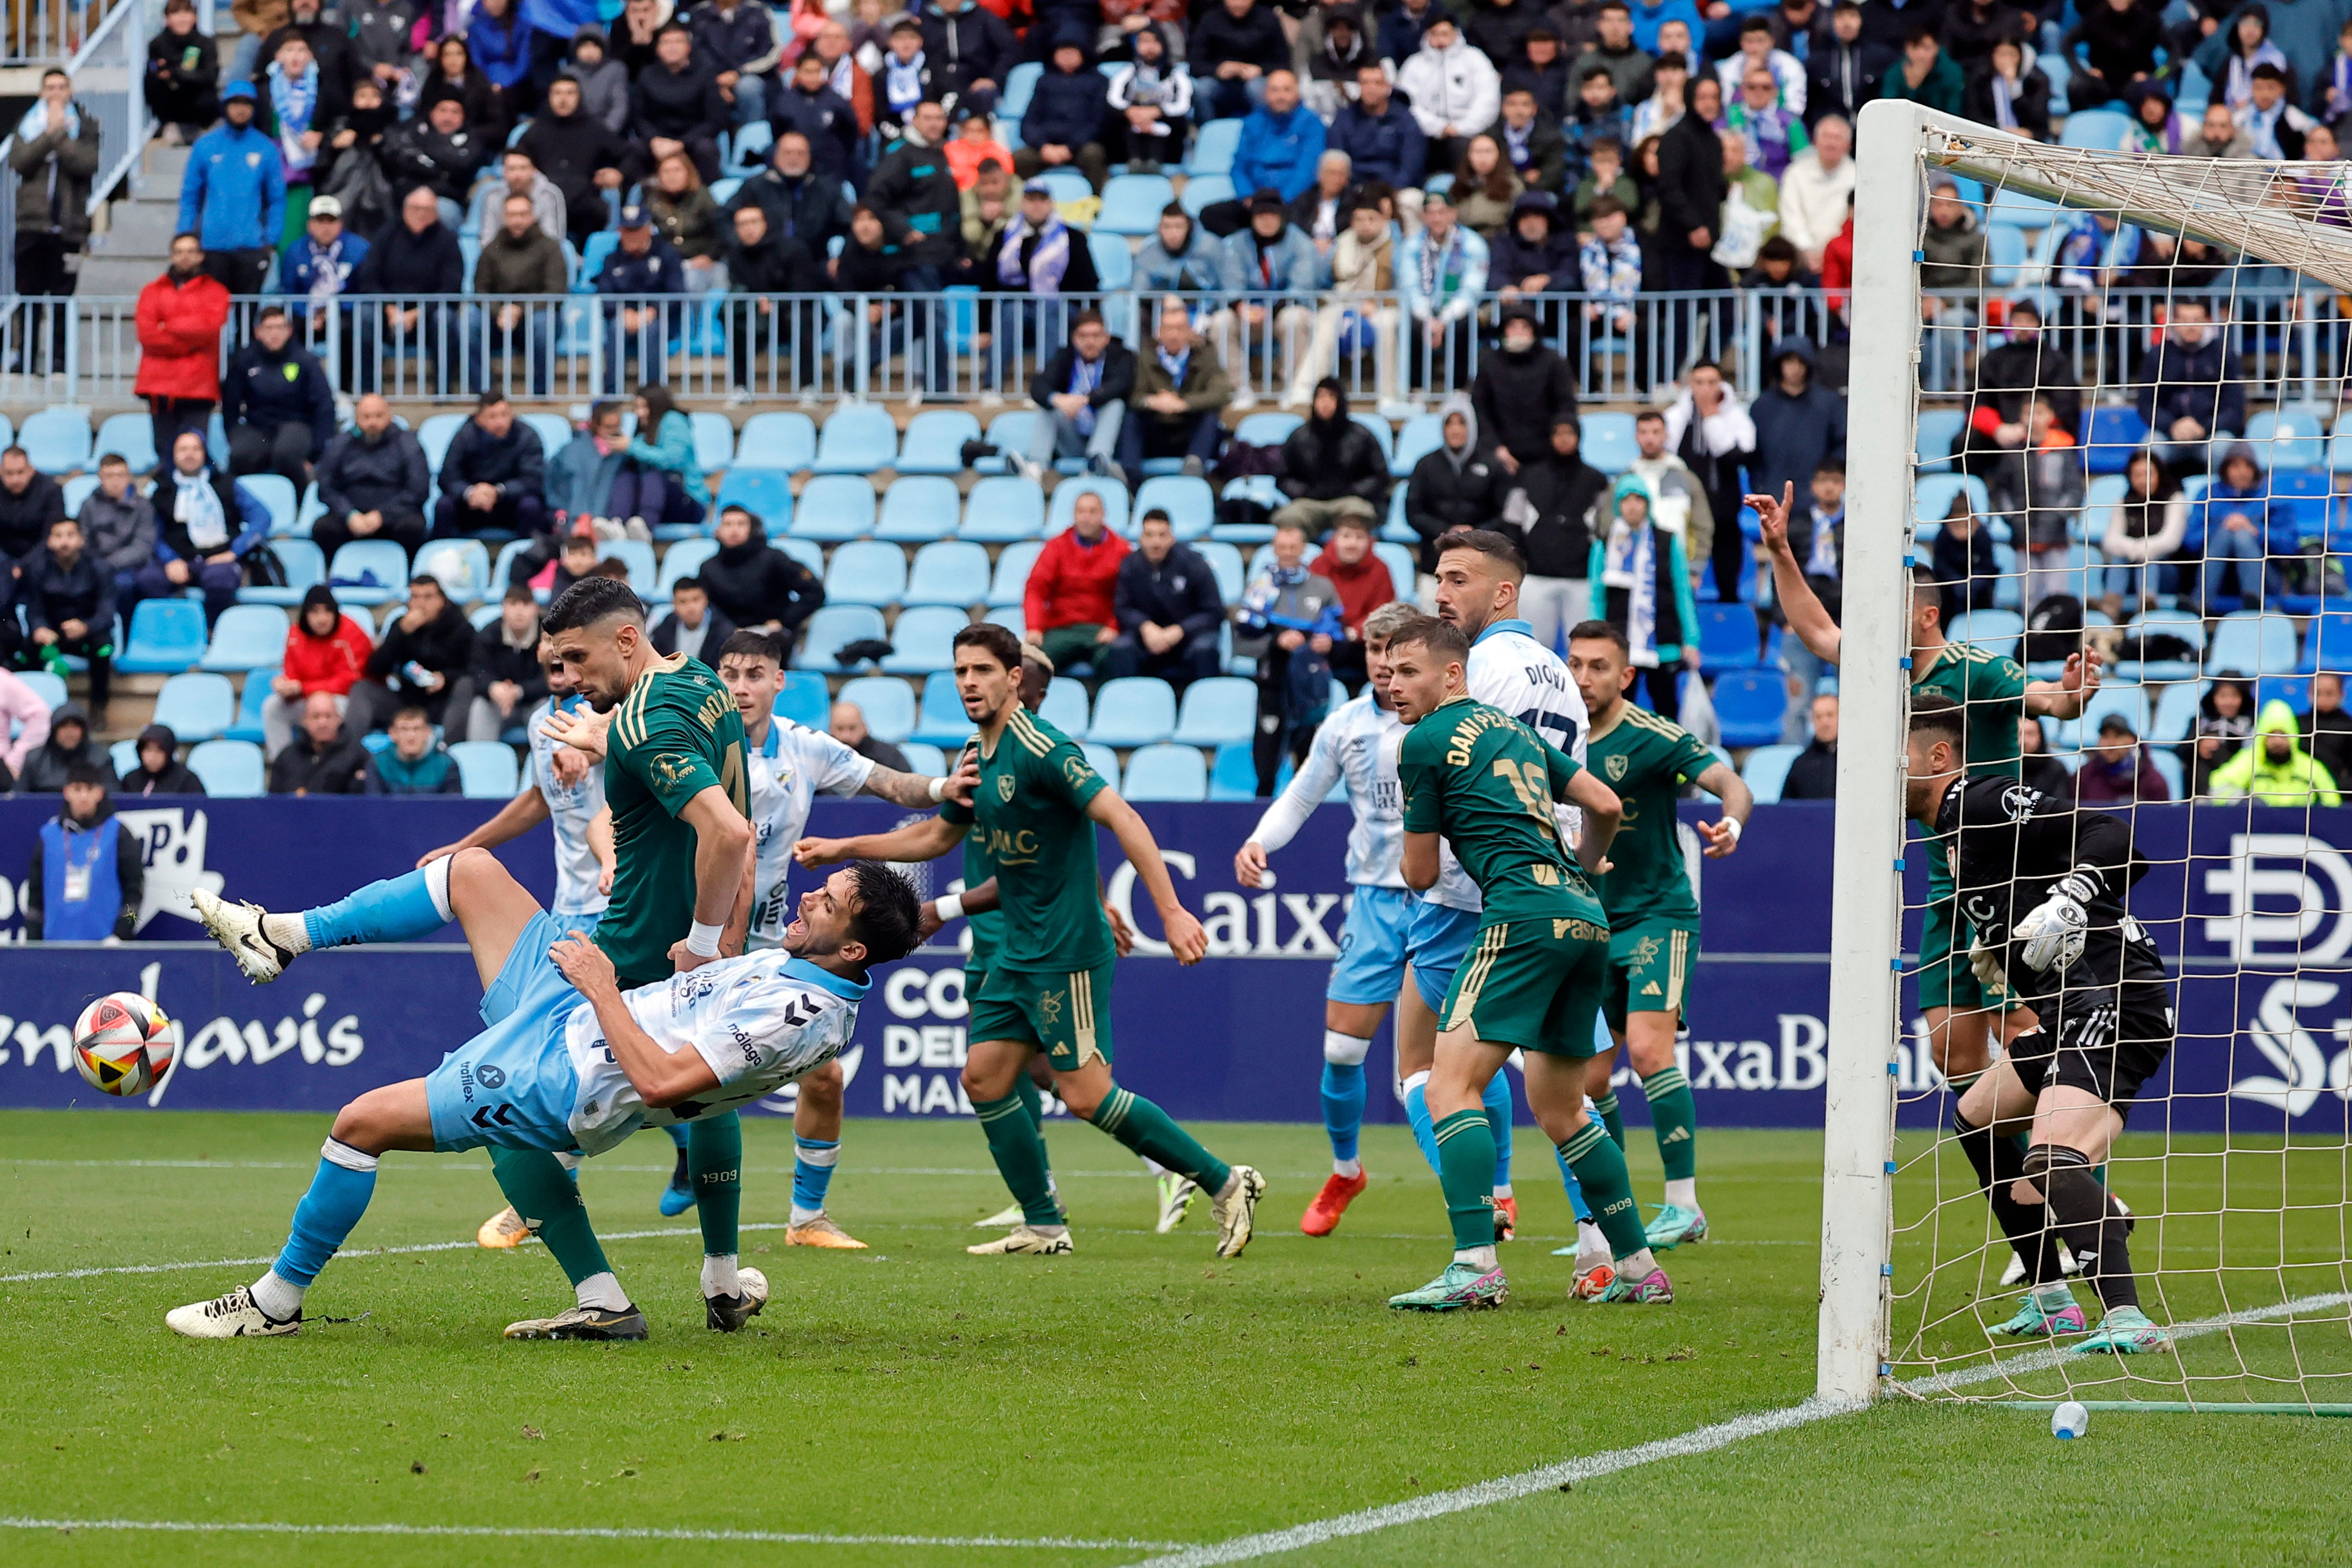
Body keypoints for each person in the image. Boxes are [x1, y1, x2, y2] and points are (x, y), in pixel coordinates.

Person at [171, 836, 918, 1337]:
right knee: (472, 871)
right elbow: (709, 1078)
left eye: (831, 901)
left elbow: (663, 1085)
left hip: (564, 1076)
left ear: (852, 947)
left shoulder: (799, 1014)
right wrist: (687, 974)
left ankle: (275, 1304)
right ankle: (283, 935)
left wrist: (603, 988)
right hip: (570, 1017)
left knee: (360, 1122)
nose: (813, 897)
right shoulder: (808, 970)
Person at [794, 621, 1262, 1260]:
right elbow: (936, 837)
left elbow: (1122, 816)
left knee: (1085, 1093)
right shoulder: (975, 752)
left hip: (1065, 948)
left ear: (1014, 678)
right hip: (1015, 946)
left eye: (982, 670)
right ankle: (1044, 1223)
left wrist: (1173, 910)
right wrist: (843, 846)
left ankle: (1225, 1180)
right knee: (984, 1078)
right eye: (960, 671)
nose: (968, 683)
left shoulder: (1043, 747)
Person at [1752, 484, 2099, 1085]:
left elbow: (2049, 702)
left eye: (1890, 605)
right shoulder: (1884, 672)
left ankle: (2073, 1177)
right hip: (1945, 883)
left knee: (2021, 1032)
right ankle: (2014, 1178)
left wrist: (2071, 697)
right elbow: (1816, 632)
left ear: (1927, 613)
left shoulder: (1979, 668)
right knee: (1953, 1053)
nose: (1874, 617)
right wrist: (1781, 549)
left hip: (2005, 878)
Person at [1377, 613, 1660, 1310]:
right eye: (1387, 670)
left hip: (1520, 914)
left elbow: (1418, 875)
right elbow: (1605, 801)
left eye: (1409, 670)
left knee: (1447, 1086)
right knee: (1564, 1108)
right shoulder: (1520, 732)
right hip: (1583, 914)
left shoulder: (1423, 742)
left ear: (1453, 672)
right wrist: (1585, 866)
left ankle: (1475, 1263)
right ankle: (1638, 1264)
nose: (1393, 683)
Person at [1907, 692, 2174, 1355]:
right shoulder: (1950, 835)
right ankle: (2051, 1297)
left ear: (1937, 755)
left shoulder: (1976, 800)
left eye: (1894, 754)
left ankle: (2127, 1319)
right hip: (2067, 1008)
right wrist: (1995, 946)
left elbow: (2117, 838)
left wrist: (2072, 897)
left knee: (2050, 1158)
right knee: (1976, 1114)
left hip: (2113, 993)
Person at [1566, 616, 1753, 1259]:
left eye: (1598, 666)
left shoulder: (1649, 736)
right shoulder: (1551, 739)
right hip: (1587, 924)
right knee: (1587, 1081)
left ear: (1625, 675)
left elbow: (1730, 779)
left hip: (1657, 916)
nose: (1584, 677)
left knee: (1648, 1050)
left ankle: (1683, 1202)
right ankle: (1612, 1224)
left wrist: (1731, 819)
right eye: (1575, 663)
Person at [1232, 601, 1410, 1232]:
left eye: (1396, 652)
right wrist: (1260, 839)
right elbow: (1303, 793)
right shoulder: (1345, 725)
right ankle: (1346, 1168)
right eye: (1373, 652)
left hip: (1448, 900)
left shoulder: (1452, 722)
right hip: (1375, 899)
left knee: (1459, 1054)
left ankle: (1497, 1187)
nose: (1385, 666)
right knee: (1340, 1048)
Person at [1236, 518, 1344, 793]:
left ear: (1303, 549)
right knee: (1268, 752)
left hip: (1310, 683)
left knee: (1310, 756)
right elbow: (1242, 641)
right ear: (1274, 549)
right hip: (1273, 680)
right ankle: (1263, 808)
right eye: (1282, 547)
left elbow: (1338, 632)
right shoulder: (1260, 588)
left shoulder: (1323, 587)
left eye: (1293, 547)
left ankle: (1309, 816)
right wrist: (1276, 641)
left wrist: (1328, 641)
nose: (1287, 552)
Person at [9, 68, 100, 378]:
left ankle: (59, 361)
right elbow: (20, 161)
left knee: (62, 298)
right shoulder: (27, 125)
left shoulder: (86, 126)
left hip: (69, 226)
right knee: (29, 296)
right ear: (41, 93)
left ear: (71, 91)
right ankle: (26, 357)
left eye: (62, 86)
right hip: (31, 226)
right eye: (50, 87)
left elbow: (86, 163)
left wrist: (58, 134)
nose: (57, 92)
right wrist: (50, 134)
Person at [1586, 474, 1697, 718]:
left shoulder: (1668, 542)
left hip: (1664, 643)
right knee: (1618, 713)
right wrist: (1596, 638)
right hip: (1620, 646)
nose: (1633, 505)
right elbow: (1597, 597)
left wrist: (1692, 640)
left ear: (1648, 504)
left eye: (1639, 499)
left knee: (1667, 712)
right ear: (1618, 505)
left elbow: (1682, 593)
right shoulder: (1604, 545)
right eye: (1626, 499)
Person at [140, 430, 273, 630]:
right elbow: (152, 532)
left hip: (219, 559)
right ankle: (169, 632)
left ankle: (212, 634)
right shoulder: (161, 490)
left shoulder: (227, 484)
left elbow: (262, 518)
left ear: (205, 453)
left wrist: (234, 551)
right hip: (178, 560)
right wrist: (170, 560)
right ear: (173, 455)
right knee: (148, 579)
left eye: (196, 449)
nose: (190, 454)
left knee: (220, 580)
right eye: (183, 449)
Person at [349, 185, 466, 396]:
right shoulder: (386, 235)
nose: (421, 214)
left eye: (427, 209)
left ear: (436, 213)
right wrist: (390, 308)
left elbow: (451, 288)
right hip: (389, 314)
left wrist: (418, 313)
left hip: (428, 316)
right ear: (404, 210)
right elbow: (369, 279)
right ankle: (368, 391)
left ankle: (443, 391)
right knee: (364, 316)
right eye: (415, 208)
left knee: (445, 320)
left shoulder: (448, 241)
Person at [136, 234, 235, 471]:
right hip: (159, 385)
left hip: (197, 385)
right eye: (179, 251)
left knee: (195, 451)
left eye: (191, 251)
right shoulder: (152, 291)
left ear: (201, 256)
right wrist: (188, 343)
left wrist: (167, 326)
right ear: (171, 255)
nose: (185, 257)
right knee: (164, 450)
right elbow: (147, 334)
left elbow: (208, 328)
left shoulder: (216, 291)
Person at [1288, 198, 1398, 410]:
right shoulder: (1341, 243)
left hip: (1382, 306)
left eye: (1372, 219)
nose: (1366, 224)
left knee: (1386, 325)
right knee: (1326, 322)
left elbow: (1404, 287)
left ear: (1383, 221)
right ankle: (1304, 387)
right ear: (1352, 221)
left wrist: (1379, 304)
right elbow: (1325, 282)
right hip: (1344, 302)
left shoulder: (1395, 246)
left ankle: (1388, 394)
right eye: (1359, 219)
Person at [1510, 414, 1608, 649]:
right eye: (1559, 434)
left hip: (1581, 579)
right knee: (1532, 649)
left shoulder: (1596, 480)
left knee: (1583, 649)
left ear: (1578, 437)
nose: (1564, 440)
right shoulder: (1529, 476)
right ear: (1551, 437)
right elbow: (1512, 522)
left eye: (1570, 434)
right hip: (1536, 577)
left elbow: (1605, 527)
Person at [179, 82, 286, 295]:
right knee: (212, 316)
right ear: (225, 106)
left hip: (251, 248)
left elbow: (277, 199)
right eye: (235, 103)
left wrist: (271, 239)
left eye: (247, 104)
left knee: (247, 315)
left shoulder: (265, 148)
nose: (241, 109)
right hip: (211, 247)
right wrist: (185, 233)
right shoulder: (206, 146)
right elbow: (190, 195)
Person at [1101, 509, 1223, 690]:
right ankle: (1127, 707)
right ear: (1141, 538)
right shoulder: (1130, 566)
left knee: (1205, 649)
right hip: (1146, 638)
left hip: (1188, 638)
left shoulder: (1194, 563)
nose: (1156, 542)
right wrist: (1145, 627)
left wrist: (1180, 630)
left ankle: (1208, 708)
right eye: (1149, 535)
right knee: (1122, 647)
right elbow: (1122, 608)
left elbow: (1214, 611)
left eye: (1162, 535)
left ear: (1172, 537)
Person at [1664, 361, 1755, 601]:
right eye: (1699, 383)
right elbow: (1665, 459)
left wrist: (1713, 420)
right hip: (1684, 514)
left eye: (1712, 382)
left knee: (1728, 579)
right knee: (1680, 583)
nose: (1705, 389)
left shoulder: (1737, 418)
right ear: (1690, 385)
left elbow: (1736, 458)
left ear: (1722, 384)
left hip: (1724, 512)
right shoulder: (1675, 418)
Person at [1117, 296, 1234, 479]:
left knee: (1210, 417)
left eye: (1180, 329)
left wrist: (1183, 404)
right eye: (1169, 329)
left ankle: (1194, 467)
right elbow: (1132, 395)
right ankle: (1129, 475)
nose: (1174, 335)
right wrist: (1152, 401)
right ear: (1159, 332)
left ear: (1190, 332)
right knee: (1132, 418)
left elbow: (1221, 393)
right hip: (1157, 430)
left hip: (1190, 431)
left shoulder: (1206, 354)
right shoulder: (1145, 356)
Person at [24, 765, 144, 941]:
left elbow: (135, 891)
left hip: (106, 946)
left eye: (90, 789)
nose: (83, 796)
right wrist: (33, 941)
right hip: (55, 945)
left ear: (100, 793)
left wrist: (122, 934)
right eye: (77, 789)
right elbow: (35, 895)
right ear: (67, 793)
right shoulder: (48, 835)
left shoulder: (118, 833)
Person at [223, 305, 337, 488]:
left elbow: (324, 406)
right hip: (258, 427)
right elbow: (230, 403)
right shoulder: (245, 360)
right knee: (240, 454)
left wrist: (317, 450)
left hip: (297, 426)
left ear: (289, 330)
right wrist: (234, 434)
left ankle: (302, 502)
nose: (275, 333)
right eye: (269, 328)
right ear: (258, 332)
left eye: (281, 327)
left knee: (286, 453)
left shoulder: (305, 360)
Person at [723, 201, 826, 403]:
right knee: (733, 316)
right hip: (761, 316)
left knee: (799, 317)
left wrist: (776, 303)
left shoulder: (793, 249)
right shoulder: (736, 256)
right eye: (742, 224)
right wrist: (757, 302)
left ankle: (809, 386)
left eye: (753, 222)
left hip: (798, 312)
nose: (748, 229)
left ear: (766, 223)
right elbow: (739, 288)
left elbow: (805, 291)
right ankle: (741, 387)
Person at [349, 573, 477, 733]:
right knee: (363, 689)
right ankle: (350, 750)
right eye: (415, 597)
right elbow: (376, 669)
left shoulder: (461, 628)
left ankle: (450, 749)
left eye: (428, 597)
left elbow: (475, 669)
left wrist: (446, 678)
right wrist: (400, 633)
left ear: (441, 600)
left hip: (445, 703)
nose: (421, 604)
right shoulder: (401, 626)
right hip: (406, 703)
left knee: (465, 686)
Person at [18, 517, 118, 720]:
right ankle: (29, 709)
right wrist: (39, 628)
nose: (65, 542)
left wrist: (87, 627)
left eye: (71, 536)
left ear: (81, 540)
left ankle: (99, 706)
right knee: (25, 651)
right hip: (52, 634)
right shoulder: (37, 568)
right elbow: (33, 608)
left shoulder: (100, 567)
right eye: (58, 536)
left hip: (87, 634)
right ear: (49, 541)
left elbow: (107, 612)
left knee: (104, 647)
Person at [313, 392, 431, 562]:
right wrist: (349, 514)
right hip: (351, 517)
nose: (373, 422)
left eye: (378, 416)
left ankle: (406, 575)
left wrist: (383, 516)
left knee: (412, 527)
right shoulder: (340, 444)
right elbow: (326, 487)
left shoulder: (408, 443)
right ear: (356, 418)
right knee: (324, 528)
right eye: (366, 417)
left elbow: (418, 489)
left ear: (390, 416)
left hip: (396, 516)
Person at [1023, 489, 1130, 673]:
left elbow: (1130, 596)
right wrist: (1034, 628)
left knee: (1119, 658)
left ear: (1103, 515)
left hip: (1102, 630)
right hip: (1062, 629)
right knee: (1033, 664)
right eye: (1081, 512)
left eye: (1092, 512)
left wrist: (1114, 627)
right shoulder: (1055, 547)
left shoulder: (1121, 550)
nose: (1086, 517)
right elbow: (1036, 590)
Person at [1404, 395, 1501, 594]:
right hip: (1434, 565)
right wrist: (1447, 530)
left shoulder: (1492, 465)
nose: (1456, 429)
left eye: (1462, 423)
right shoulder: (1426, 465)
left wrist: (1475, 533)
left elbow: (1504, 514)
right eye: (1450, 423)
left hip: (1479, 566)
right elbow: (1413, 512)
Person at [1025, 310, 1134, 485]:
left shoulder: (1122, 356)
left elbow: (1122, 384)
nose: (1090, 342)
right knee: (1048, 405)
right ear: (1074, 339)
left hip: (1110, 441)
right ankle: (1036, 466)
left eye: (1096, 336)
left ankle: (1097, 462)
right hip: (1073, 437)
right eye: (1083, 336)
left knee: (1115, 405)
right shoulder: (1065, 356)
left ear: (1107, 337)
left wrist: (1086, 399)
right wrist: (1058, 400)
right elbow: (1038, 386)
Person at [263, 585, 372, 758]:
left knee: (335, 708)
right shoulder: (294, 635)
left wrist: (303, 689)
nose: (322, 619)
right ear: (305, 615)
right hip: (307, 699)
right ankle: (282, 765)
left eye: (327, 612)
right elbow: (292, 675)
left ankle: (336, 764)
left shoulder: (350, 631)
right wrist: (284, 686)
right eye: (315, 612)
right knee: (273, 707)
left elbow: (351, 680)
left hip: (343, 700)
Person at [2135, 300, 2243, 473]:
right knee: (2150, 450)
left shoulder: (2224, 354)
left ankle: (2217, 497)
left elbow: (2235, 410)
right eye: (2185, 320)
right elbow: (2146, 405)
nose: (2191, 326)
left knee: (2221, 449)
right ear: (2175, 322)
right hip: (2169, 434)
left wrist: (2204, 427)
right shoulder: (2157, 356)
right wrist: (2172, 426)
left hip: (2212, 433)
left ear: (2207, 321)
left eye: (2197, 320)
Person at [1472, 304, 1580, 476]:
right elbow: (1480, 409)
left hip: (1547, 456)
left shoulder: (1554, 362)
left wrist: (1553, 448)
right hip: (1499, 455)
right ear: (1504, 331)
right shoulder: (1489, 364)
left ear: (1534, 332)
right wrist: (1496, 448)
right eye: (1513, 327)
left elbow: (1565, 407)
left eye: (1525, 327)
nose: (1519, 332)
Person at [1399, 188, 1488, 394]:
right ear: (1423, 217)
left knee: (1465, 324)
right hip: (1425, 308)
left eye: (1442, 212)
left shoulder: (1472, 244)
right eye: (1431, 213)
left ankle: (1459, 389)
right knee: (1412, 324)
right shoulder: (1412, 246)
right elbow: (1410, 287)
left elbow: (1472, 290)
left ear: (1453, 214)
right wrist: (1429, 319)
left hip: (1457, 308)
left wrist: (1445, 319)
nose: (1437, 218)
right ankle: (1418, 389)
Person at [1746, 336, 1845, 520]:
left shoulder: (1828, 404)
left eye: (1801, 361)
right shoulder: (1762, 407)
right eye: (1789, 360)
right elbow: (1753, 455)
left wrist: (1828, 481)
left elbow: (1842, 445)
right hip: (1774, 501)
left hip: (1818, 506)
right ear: (1779, 364)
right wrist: (1760, 487)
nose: (1795, 368)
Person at [594, 206, 689, 396]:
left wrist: (653, 311)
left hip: (662, 321)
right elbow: (604, 293)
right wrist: (622, 312)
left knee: (650, 330)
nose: (632, 236)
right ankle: (612, 396)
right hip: (624, 319)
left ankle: (652, 395)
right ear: (620, 232)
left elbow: (677, 293)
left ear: (647, 229)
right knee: (615, 328)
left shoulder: (668, 255)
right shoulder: (612, 260)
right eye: (627, 231)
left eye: (636, 230)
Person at [1273, 378, 1387, 536]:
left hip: (1350, 501)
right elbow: (1283, 477)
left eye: (1331, 397)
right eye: (1320, 397)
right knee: (1288, 520)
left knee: (1359, 515)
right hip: (1308, 502)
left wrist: (1353, 490)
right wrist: (1304, 492)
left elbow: (1380, 476)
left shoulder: (1362, 436)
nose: (1325, 403)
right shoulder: (1298, 437)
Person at [434, 390, 548, 542]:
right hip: (472, 506)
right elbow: (448, 477)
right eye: (492, 416)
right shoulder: (464, 436)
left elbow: (533, 479)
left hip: (510, 504)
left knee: (531, 506)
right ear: (479, 419)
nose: (500, 422)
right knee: (444, 506)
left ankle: (527, 559)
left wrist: (499, 492)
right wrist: (470, 493)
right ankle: (443, 556)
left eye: (504, 414)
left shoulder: (527, 436)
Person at [702, 505, 825, 639]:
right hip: (728, 636)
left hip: (772, 635)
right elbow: (708, 607)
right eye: (728, 524)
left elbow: (814, 592)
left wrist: (783, 622)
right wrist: (727, 629)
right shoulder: (709, 568)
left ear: (751, 528)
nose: (734, 530)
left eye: (741, 524)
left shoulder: (775, 559)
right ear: (717, 531)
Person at [2099, 451, 2186, 621]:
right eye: (2137, 475)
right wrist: (2135, 549)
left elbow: (2171, 541)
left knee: (2149, 559)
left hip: (2165, 572)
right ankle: (2110, 610)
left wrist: (2141, 550)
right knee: (2119, 559)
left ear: (2159, 474)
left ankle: (2148, 606)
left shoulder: (2175, 498)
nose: (2143, 480)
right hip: (2130, 570)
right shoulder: (2124, 501)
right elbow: (2110, 540)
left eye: (2148, 474)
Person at [1014, 38, 1110, 192]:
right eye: (1061, 52)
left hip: (1080, 147)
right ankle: (1028, 203)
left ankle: (1097, 202)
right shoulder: (1044, 81)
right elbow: (1029, 121)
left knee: (1093, 154)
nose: (1066, 56)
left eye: (1071, 52)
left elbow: (1098, 122)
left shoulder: (1099, 81)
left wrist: (1070, 147)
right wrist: (1043, 146)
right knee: (1020, 158)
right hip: (1046, 148)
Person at [2207, 697, 2342, 805]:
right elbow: (2218, 787)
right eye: (2272, 735)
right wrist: (2244, 801)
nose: (2277, 741)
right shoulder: (2249, 761)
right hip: (2257, 832)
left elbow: (2332, 803)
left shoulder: (2311, 768)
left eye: (2283, 735)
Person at [615, 383, 709, 532]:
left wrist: (632, 447)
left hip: (688, 502)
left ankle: (645, 527)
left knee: (653, 476)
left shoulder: (674, 420)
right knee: (626, 476)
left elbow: (672, 460)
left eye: (644, 407)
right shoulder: (642, 433)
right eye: (637, 408)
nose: (639, 413)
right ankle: (617, 523)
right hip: (659, 503)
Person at [462, 587, 548, 744]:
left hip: (535, 700)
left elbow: (555, 678)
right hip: (498, 702)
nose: (519, 611)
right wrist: (492, 687)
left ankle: (548, 763)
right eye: (513, 604)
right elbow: (477, 670)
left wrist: (519, 691)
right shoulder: (488, 634)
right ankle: (480, 761)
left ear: (536, 609)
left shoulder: (550, 635)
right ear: (503, 608)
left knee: (546, 708)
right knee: (481, 706)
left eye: (526, 604)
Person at [76, 454, 158, 618]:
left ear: (129, 477)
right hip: (96, 566)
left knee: (126, 585)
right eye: (109, 476)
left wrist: (109, 564)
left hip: (131, 567)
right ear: (100, 478)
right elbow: (83, 540)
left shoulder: (143, 507)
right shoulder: (88, 506)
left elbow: (143, 546)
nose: (115, 481)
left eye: (120, 475)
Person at [1328, 62, 1426, 197]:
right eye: (1365, 83)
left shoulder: (1405, 119)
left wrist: (1393, 192)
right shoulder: (1345, 118)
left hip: (1395, 188)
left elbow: (1411, 164)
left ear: (1388, 86)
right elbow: (1337, 156)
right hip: (1354, 188)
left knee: (1411, 199)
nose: (1371, 89)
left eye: (1378, 83)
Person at [1103, 22, 1191, 172]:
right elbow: (1114, 99)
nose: (1149, 47)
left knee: (1172, 125)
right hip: (1134, 123)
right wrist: (1130, 112)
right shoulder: (1128, 72)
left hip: (1164, 124)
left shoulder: (1176, 75)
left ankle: (1156, 164)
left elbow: (1183, 105)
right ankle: (1133, 162)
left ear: (1163, 44)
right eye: (1144, 42)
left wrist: (1158, 112)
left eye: (1154, 42)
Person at [691, 0, 785, 127]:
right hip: (711, 76)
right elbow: (695, 52)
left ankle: (751, 138)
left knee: (748, 87)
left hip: (754, 75)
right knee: (699, 87)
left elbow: (773, 52)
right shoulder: (699, 13)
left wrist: (739, 73)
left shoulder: (759, 11)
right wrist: (716, 80)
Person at [1193, 0, 1290, 121]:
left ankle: (1263, 133)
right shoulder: (1209, 20)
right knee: (1203, 90)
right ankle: (1208, 134)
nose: (1238, 4)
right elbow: (1195, 64)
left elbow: (1284, 63)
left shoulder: (1269, 19)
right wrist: (1218, 70)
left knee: (1257, 89)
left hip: (1258, 79)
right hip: (1221, 82)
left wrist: (1260, 70)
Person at [268, 688, 374, 793]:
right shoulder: (287, 757)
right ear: (304, 721)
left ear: (339, 719)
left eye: (328, 716)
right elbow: (273, 802)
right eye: (315, 717)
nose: (322, 723)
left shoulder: (359, 756)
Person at [547, 402, 628, 535]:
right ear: (595, 425)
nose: (613, 432)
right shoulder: (571, 451)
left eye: (617, 427)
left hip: (609, 524)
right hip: (574, 522)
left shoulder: (624, 455)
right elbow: (553, 484)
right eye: (608, 427)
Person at [147, 0, 223, 141]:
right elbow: (154, 71)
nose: (182, 18)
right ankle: (167, 124)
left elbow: (210, 77)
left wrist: (176, 72)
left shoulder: (206, 43)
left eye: (187, 13)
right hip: (172, 103)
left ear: (195, 17)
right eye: (176, 13)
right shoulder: (157, 44)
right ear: (167, 19)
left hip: (200, 106)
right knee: (153, 82)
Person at [365, 705, 466, 794]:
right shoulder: (378, 763)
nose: (411, 737)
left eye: (417, 729)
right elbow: (374, 807)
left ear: (428, 732)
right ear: (393, 733)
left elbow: (454, 809)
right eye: (404, 730)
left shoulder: (447, 764)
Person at [2072, 713, 2167, 805]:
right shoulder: (2084, 776)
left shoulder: (2153, 782)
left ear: (2132, 740)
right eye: (2105, 736)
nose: (2110, 744)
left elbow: (2161, 818)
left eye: (2118, 736)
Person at [650, 576, 737, 663]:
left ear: (706, 600)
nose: (690, 608)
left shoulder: (723, 631)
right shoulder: (668, 624)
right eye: (683, 602)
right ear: (674, 604)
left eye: (696, 600)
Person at [828, 696, 913, 773]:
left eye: (852, 728)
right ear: (830, 729)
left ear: (865, 728)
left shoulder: (890, 757)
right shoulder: (820, 759)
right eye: (839, 729)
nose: (846, 736)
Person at [119, 722, 206, 796]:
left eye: (159, 751)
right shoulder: (130, 780)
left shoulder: (187, 781)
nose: (152, 757)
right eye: (148, 750)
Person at [1781, 690, 1837, 798]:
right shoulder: (1801, 764)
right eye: (1819, 717)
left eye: (1830, 715)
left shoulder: (1855, 762)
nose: (1824, 723)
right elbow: (1786, 808)